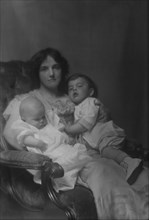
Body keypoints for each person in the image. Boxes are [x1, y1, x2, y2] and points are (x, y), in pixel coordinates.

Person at [3, 47, 148, 219]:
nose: (51, 73)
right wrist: (40, 143)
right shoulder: (24, 101)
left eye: (56, 67)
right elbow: (14, 133)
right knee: (103, 170)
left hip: (87, 149)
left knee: (133, 173)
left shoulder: (74, 97)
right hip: (57, 159)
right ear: (37, 73)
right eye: (44, 68)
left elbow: (94, 127)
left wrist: (102, 115)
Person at [64, 73, 143, 185]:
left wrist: (70, 129)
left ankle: (130, 162)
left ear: (90, 92)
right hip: (97, 141)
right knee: (100, 158)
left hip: (106, 135)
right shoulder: (77, 107)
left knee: (107, 151)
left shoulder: (90, 102)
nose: (74, 89)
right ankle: (121, 172)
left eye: (79, 86)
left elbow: (86, 123)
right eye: (70, 88)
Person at [11, 95, 91, 192]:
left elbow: (59, 132)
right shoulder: (26, 128)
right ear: (24, 120)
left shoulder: (48, 122)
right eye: (37, 119)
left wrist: (65, 138)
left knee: (77, 157)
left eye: (43, 117)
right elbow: (24, 139)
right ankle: (70, 179)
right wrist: (36, 143)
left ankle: (80, 175)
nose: (42, 121)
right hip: (50, 155)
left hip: (62, 148)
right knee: (64, 165)